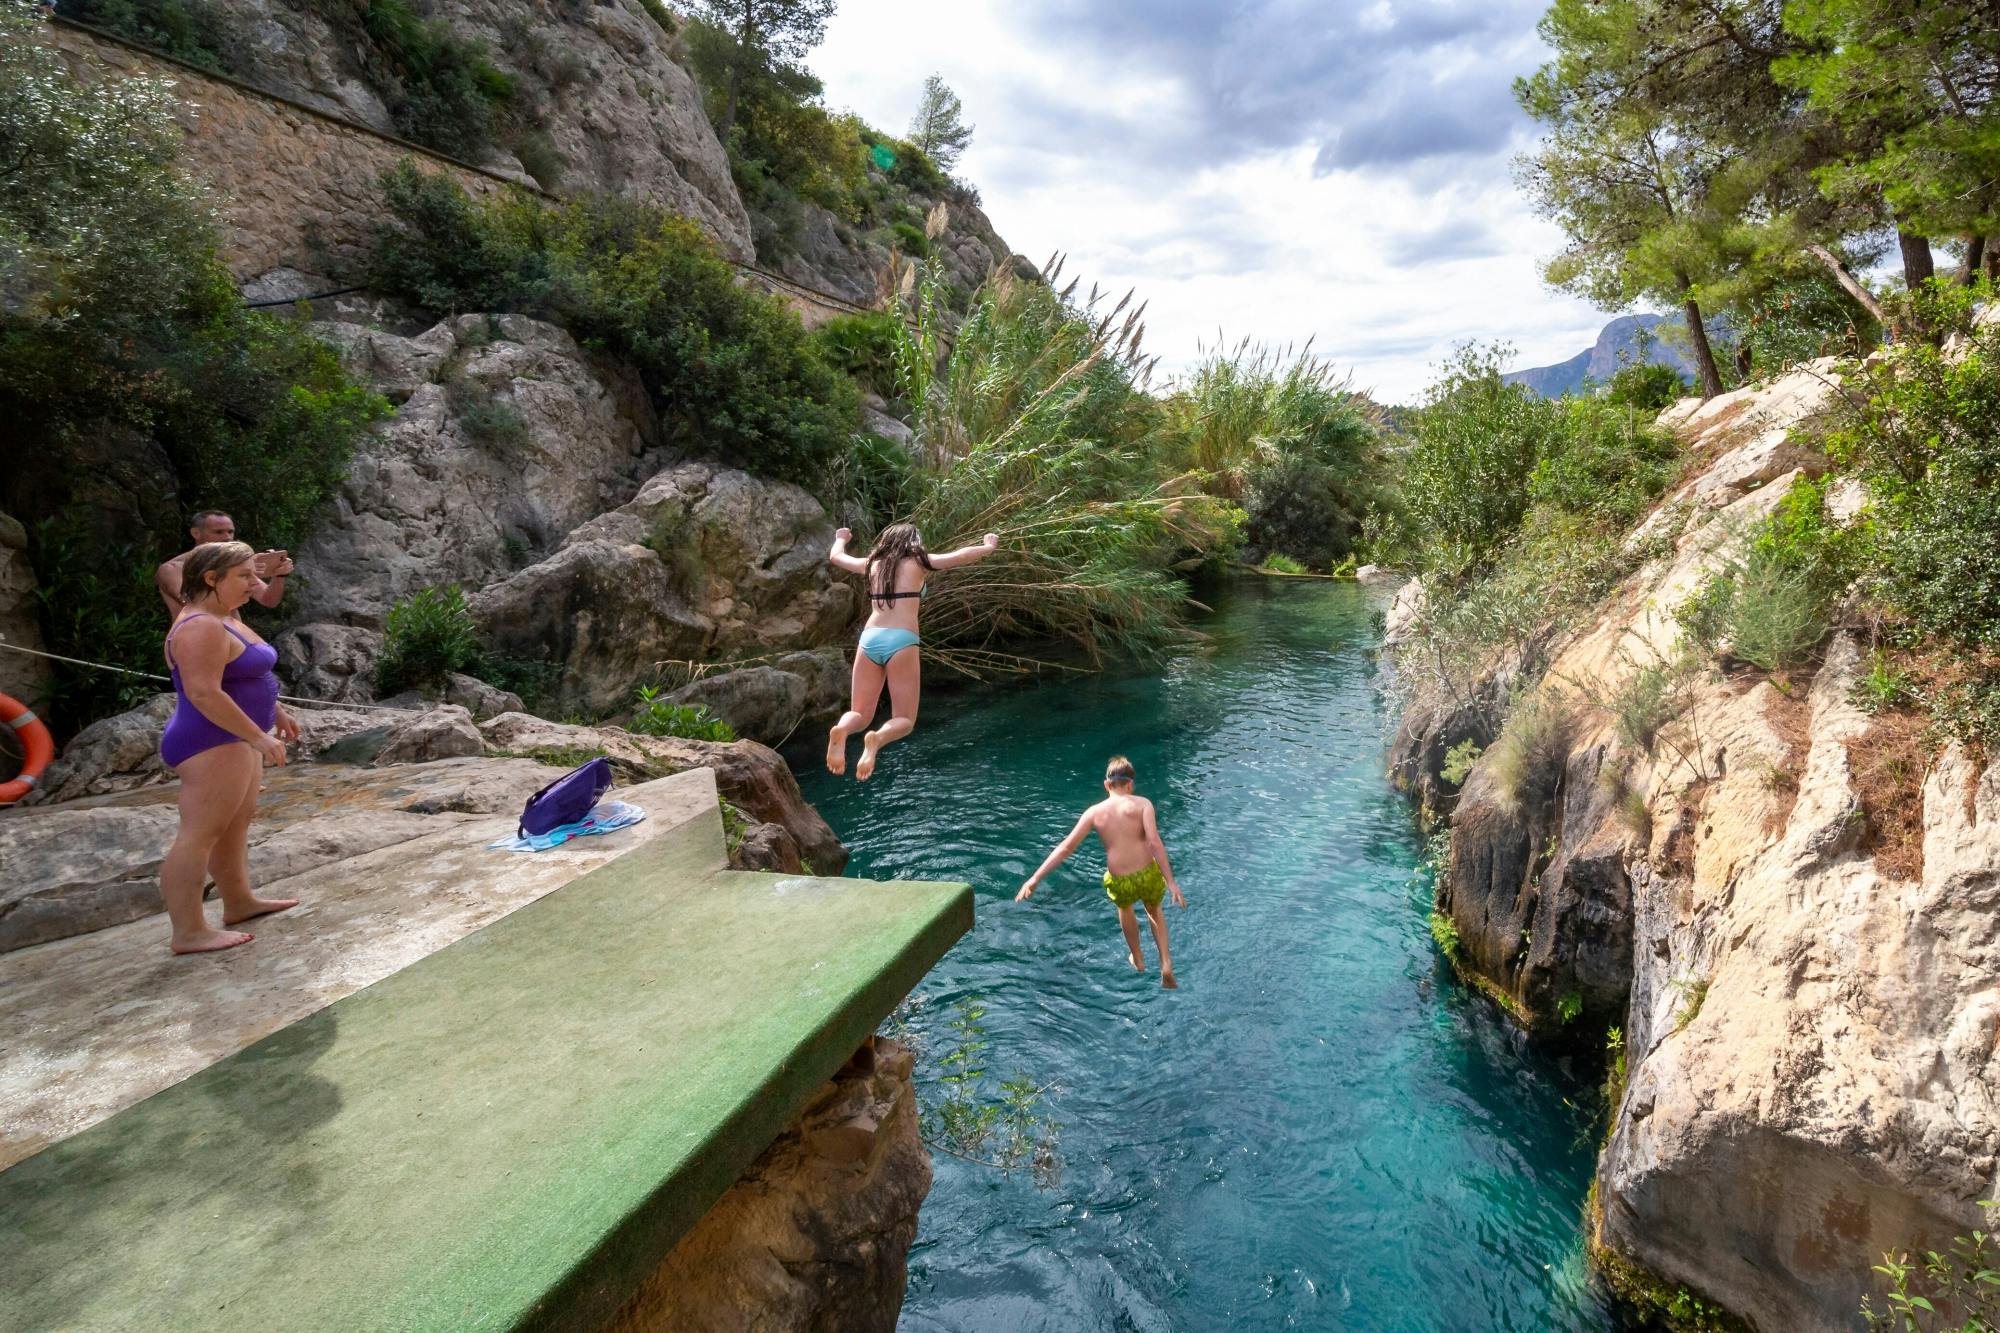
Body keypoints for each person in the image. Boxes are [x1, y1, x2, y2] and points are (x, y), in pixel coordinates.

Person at [157, 542, 301, 953]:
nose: (254, 584)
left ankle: (238, 902)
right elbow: (203, 692)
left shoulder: (223, 617)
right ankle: (188, 931)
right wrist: (256, 735)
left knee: (233, 827)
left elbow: (239, 674)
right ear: (210, 578)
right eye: (245, 576)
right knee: (198, 835)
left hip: (235, 736)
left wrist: (276, 711)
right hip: (212, 739)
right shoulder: (199, 624)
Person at [824, 522, 999, 781]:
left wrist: (841, 538)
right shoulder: (919, 562)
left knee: (860, 713)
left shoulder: (872, 563)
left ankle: (841, 729)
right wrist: (988, 546)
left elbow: (836, 557)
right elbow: (960, 556)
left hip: (870, 638)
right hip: (902, 640)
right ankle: (877, 740)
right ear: (912, 542)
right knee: (904, 720)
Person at [1016, 755, 1188, 988]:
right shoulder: (1142, 804)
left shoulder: (1094, 812)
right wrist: (1172, 882)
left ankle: (1137, 957)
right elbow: (1155, 842)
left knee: (1125, 908)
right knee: (1154, 910)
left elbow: (1066, 847)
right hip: (1147, 872)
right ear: (1130, 784)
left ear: (1107, 785)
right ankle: (1165, 963)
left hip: (1120, 879)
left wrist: (1035, 878)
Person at [156, 510, 293, 617]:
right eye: (218, 532)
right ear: (196, 533)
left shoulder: (235, 565)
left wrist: (279, 576)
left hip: (235, 642)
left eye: (230, 532)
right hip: (198, 645)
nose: (227, 537)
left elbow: (269, 600)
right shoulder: (172, 569)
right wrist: (236, 575)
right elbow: (193, 604)